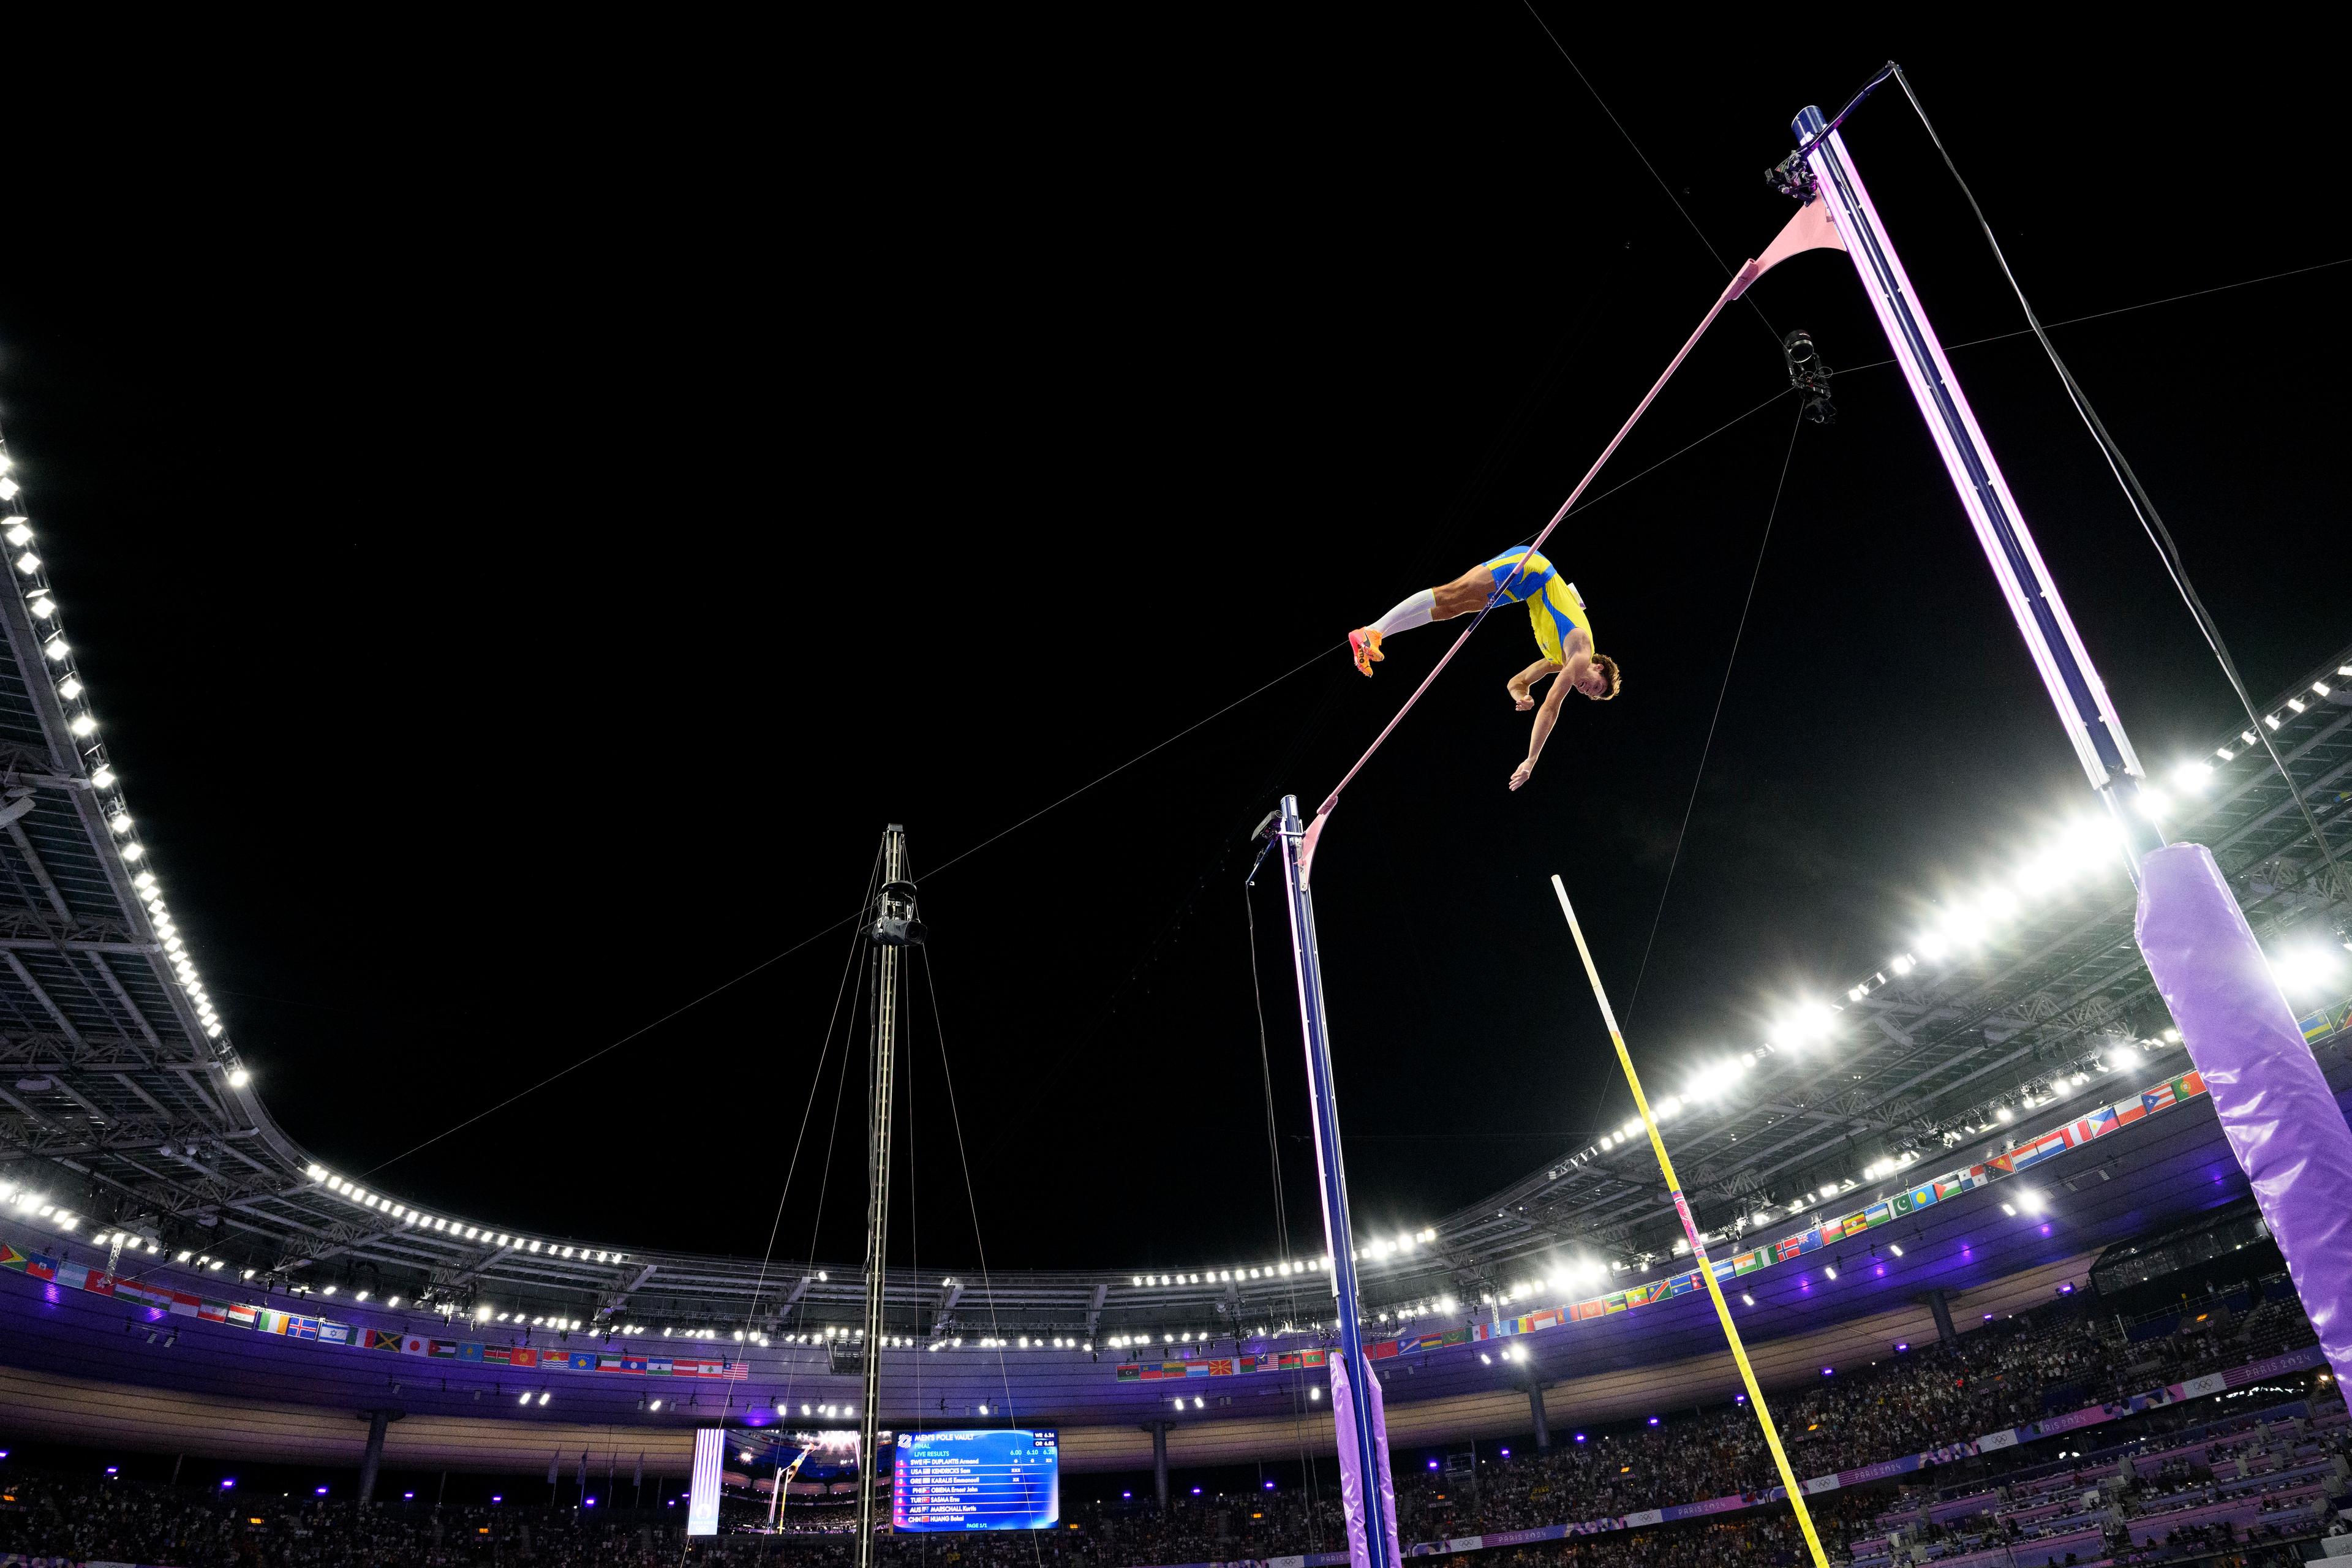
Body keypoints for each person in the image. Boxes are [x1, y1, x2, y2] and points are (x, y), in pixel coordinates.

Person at [1349, 545, 1620, 790]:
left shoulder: (1559, 662)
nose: (1587, 691)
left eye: (1591, 695)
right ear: (1598, 667)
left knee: (1452, 608)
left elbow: (1517, 681)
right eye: (1596, 686)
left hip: (1524, 590)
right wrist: (1531, 759)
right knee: (1453, 592)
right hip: (1534, 570)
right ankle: (1372, 631)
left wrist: (1521, 697)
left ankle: (1375, 637)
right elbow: (1551, 705)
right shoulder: (1582, 654)